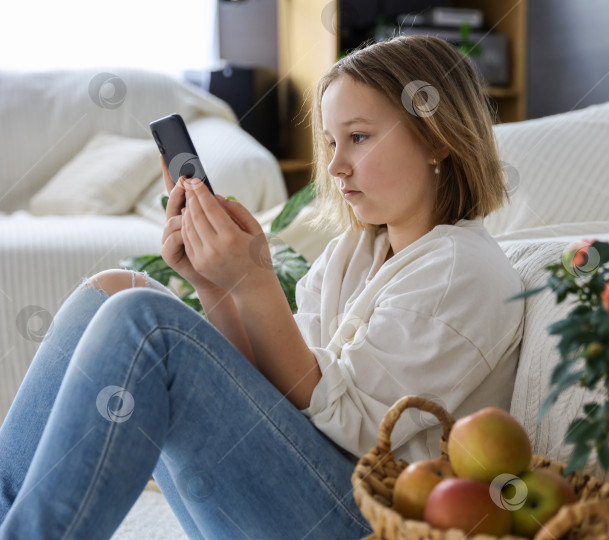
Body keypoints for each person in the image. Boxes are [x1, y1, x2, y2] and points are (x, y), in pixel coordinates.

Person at [0, 34, 524, 539]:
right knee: (115, 289)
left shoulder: (461, 270)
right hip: (306, 483)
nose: (337, 166)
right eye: (331, 142)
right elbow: (280, 388)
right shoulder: (355, 253)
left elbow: (354, 429)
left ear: (437, 140)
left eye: (359, 137)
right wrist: (215, 285)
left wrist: (255, 283)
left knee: (145, 322)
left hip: (365, 518)